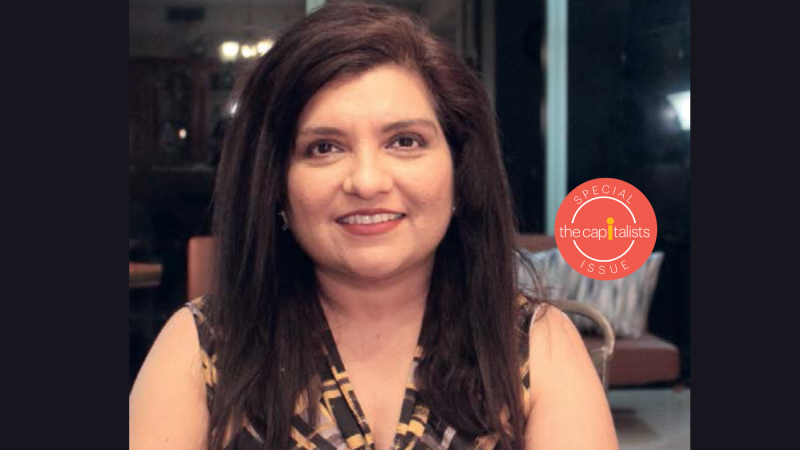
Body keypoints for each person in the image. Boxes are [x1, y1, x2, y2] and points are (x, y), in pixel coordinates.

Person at [129, 2, 618, 450]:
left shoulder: (536, 345)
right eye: (324, 148)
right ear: (276, 185)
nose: (366, 181)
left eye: (405, 141)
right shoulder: (202, 346)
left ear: (459, 170)